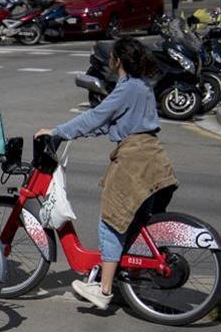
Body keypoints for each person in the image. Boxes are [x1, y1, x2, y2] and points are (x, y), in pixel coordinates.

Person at [36, 37, 177, 310]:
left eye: (111, 57)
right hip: (153, 156)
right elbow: (108, 124)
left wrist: (58, 131)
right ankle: (131, 280)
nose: (109, 62)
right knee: (136, 221)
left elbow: (96, 116)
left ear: (119, 61)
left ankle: (103, 289)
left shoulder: (128, 89)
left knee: (112, 220)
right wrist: (74, 134)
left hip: (134, 160)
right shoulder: (140, 86)